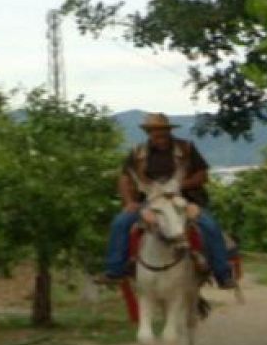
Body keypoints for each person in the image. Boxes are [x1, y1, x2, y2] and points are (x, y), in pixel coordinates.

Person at [98, 112, 236, 288]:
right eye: (156, 135)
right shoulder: (137, 152)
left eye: (163, 134)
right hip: (150, 201)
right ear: (149, 133)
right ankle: (115, 270)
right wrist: (129, 202)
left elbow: (202, 175)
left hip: (183, 200)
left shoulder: (186, 148)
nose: (160, 138)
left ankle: (222, 274)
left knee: (210, 225)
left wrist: (180, 186)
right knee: (120, 223)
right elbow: (125, 178)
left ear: (169, 131)